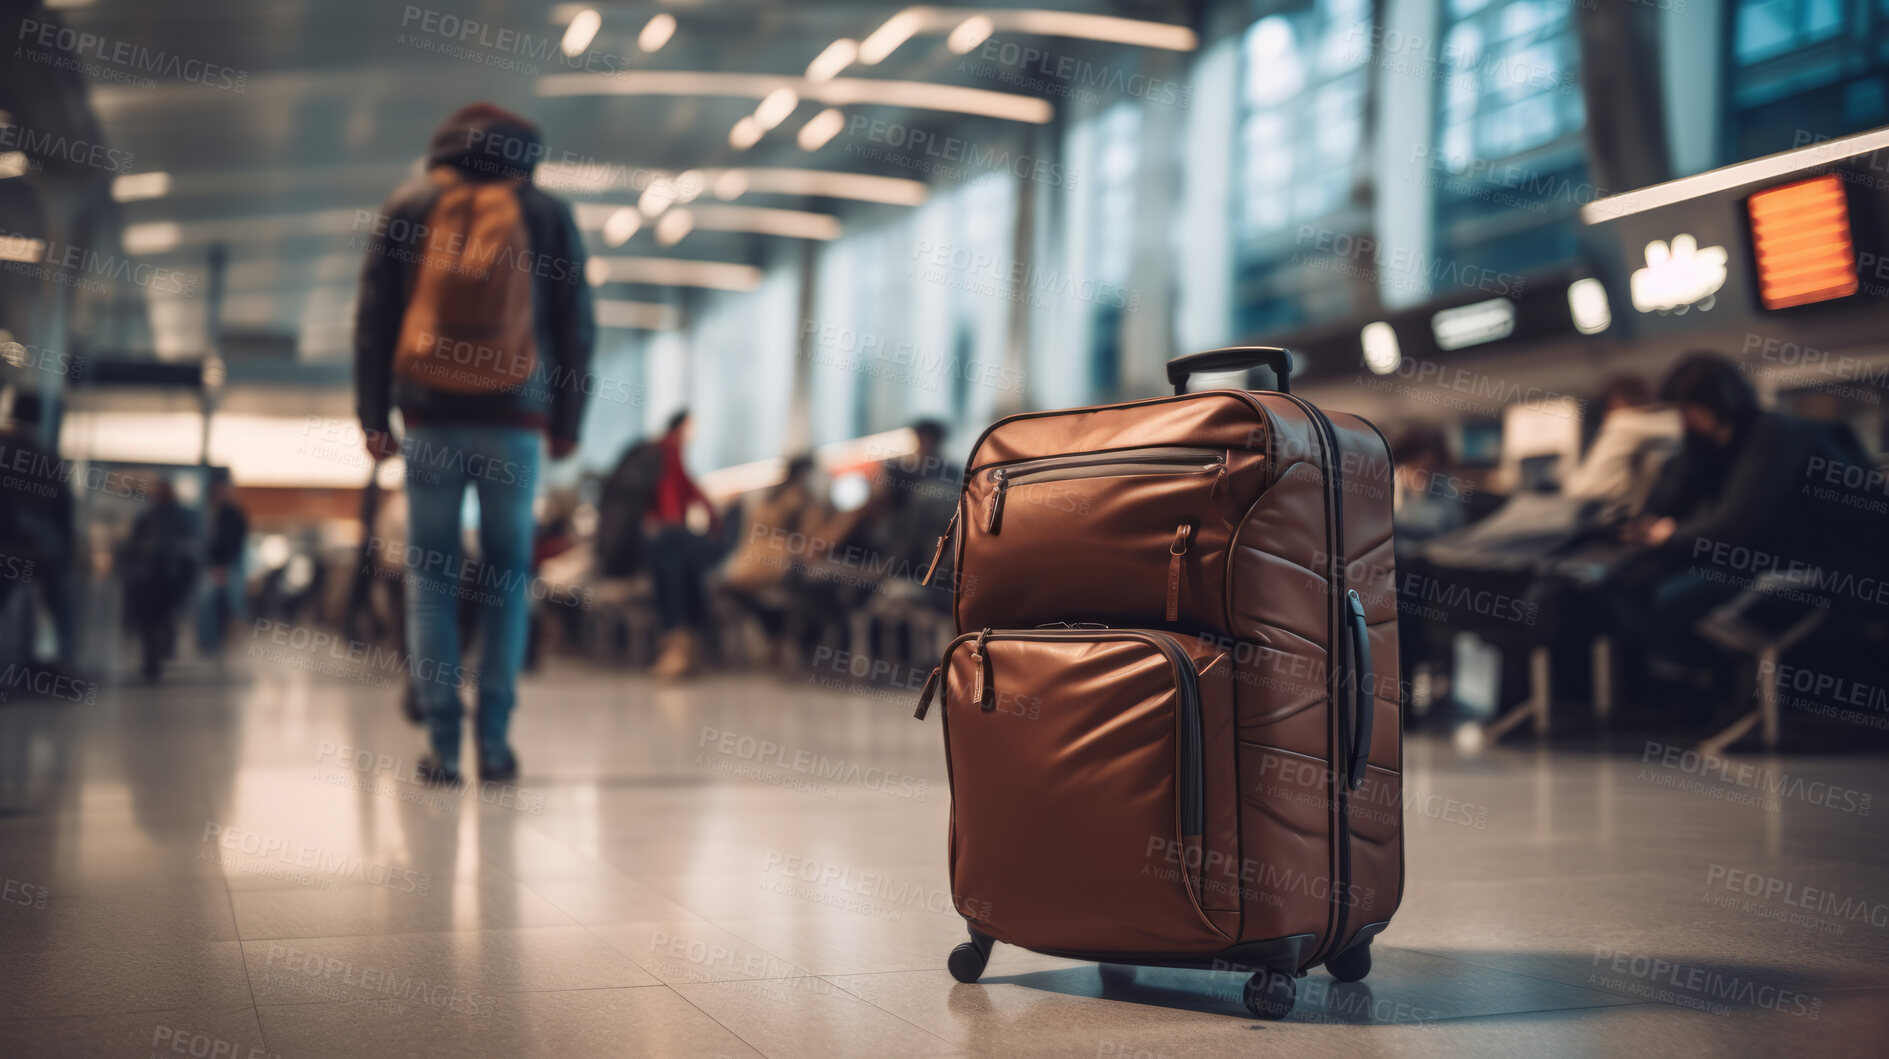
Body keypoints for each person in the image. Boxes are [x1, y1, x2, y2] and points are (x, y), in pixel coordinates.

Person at [353, 102, 595, 785]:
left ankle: (440, 742)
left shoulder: (410, 203)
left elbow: (374, 317)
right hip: (517, 416)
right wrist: (568, 417)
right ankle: (493, 741)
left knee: (429, 578)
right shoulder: (545, 212)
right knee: (507, 577)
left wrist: (373, 414)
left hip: (428, 413)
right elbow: (574, 320)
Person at [1614, 352, 1870, 672]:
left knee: (1671, 599)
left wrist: (1669, 536)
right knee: (1632, 583)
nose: (1684, 420)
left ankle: (1726, 686)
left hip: (1812, 565)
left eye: (1688, 409)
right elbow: (1668, 502)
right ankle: (1718, 686)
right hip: (1758, 558)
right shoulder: (1714, 444)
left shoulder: (1771, 434)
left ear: (1716, 402)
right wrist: (1690, 450)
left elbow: (1734, 524)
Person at [720, 454, 822, 668]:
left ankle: (776, 632)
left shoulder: (771, 497)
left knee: (735, 589)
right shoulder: (801, 499)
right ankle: (778, 631)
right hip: (775, 559)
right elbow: (808, 538)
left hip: (755, 558)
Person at [0, 393, 76, 670]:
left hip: (5, 542)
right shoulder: (46, 458)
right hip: (38, 547)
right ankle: (64, 657)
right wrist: (66, 555)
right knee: (61, 601)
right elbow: (64, 511)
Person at [644, 411, 720, 679]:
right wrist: (676, 523)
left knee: (680, 558)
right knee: (678, 553)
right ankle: (684, 641)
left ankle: (679, 641)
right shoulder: (669, 447)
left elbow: (688, 487)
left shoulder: (661, 448)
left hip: (658, 534)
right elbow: (674, 489)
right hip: (664, 531)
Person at [1562, 375, 1680, 516]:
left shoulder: (1623, 424)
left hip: (1631, 518)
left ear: (1616, 401)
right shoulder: (1675, 422)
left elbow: (1585, 488)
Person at [121, 479, 199, 682]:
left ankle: (154, 661)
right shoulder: (163, 518)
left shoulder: (160, 518)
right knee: (154, 623)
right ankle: (154, 661)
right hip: (157, 580)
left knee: (154, 623)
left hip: (159, 580)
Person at [197, 474, 248, 659]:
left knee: (231, 603)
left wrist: (222, 565)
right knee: (213, 603)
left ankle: (226, 640)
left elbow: (232, 541)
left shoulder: (231, 514)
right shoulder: (210, 513)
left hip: (226, 566)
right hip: (216, 566)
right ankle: (211, 641)